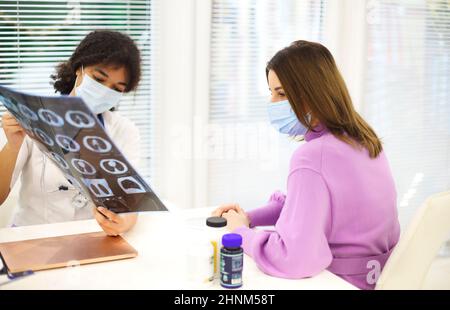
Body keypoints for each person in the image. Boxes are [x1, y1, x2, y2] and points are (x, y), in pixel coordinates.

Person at [212, 40, 400, 289]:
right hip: (378, 279)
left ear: (312, 93)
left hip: (339, 283)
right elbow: (313, 209)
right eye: (271, 92)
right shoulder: (364, 140)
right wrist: (247, 218)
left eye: (281, 94)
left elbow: (297, 259)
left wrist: (240, 234)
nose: (272, 103)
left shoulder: (313, 156)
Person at [0, 30, 142, 236]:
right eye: (99, 79)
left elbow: (132, 200)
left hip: (90, 240)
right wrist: (12, 146)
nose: (105, 90)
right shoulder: (32, 116)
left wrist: (124, 222)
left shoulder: (124, 131)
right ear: (79, 70)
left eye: (117, 88)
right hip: (31, 238)